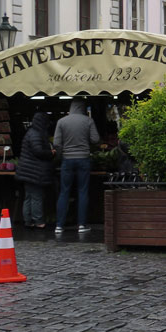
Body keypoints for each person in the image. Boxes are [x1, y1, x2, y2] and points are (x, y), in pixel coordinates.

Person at [54, 99, 100, 234]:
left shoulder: (61, 122)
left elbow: (56, 143)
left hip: (67, 160)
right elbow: (96, 139)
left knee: (64, 192)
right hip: (83, 159)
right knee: (83, 191)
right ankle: (81, 225)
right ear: (83, 108)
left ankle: (59, 225)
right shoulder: (88, 121)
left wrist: (63, 151)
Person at [15, 112, 55, 229]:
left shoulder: (30, 133)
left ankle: (28, 220)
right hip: (34, 171)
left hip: (27, 171)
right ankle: (38, 221)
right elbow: (38, 151)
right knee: (36, 196)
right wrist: (50, 153)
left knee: (28, 196)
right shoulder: (36, 134)